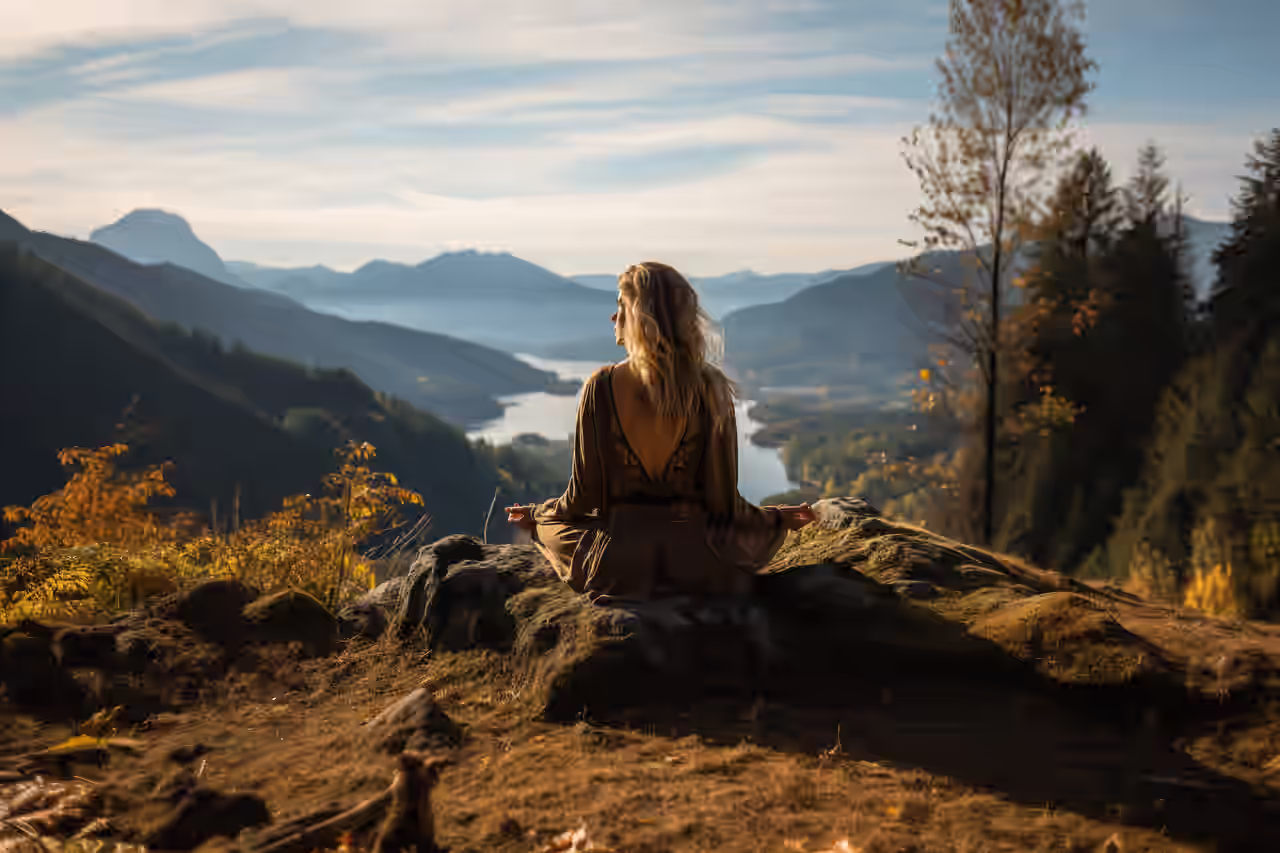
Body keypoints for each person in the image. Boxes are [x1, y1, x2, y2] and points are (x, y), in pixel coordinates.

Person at [506, 261, 815, 604]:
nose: (613, 317)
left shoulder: (601, 387)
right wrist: (775, 521)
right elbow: (723, 503)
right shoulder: (710, 386)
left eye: (620, 306)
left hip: (618, 563)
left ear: (638, 316)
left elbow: (582, 500)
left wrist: (538, 515)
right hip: (699, 559)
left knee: (549, 528)